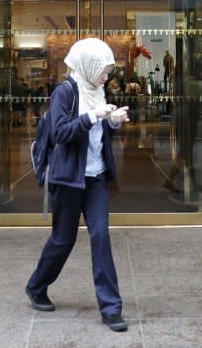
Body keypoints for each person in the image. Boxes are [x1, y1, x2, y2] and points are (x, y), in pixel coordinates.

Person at [25, 38, 131, 332]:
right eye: (104, 70)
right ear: (89, 65)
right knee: (63, 239)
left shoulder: (99, 91)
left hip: (95, 178)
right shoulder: (65, 92)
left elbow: (98, 137)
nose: (107, 76)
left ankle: (111, 308)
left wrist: (112, 122)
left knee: (101, 237)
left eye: (109, 71)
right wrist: (93, 116)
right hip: (68, 179)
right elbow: (60, 132)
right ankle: (36, 285)